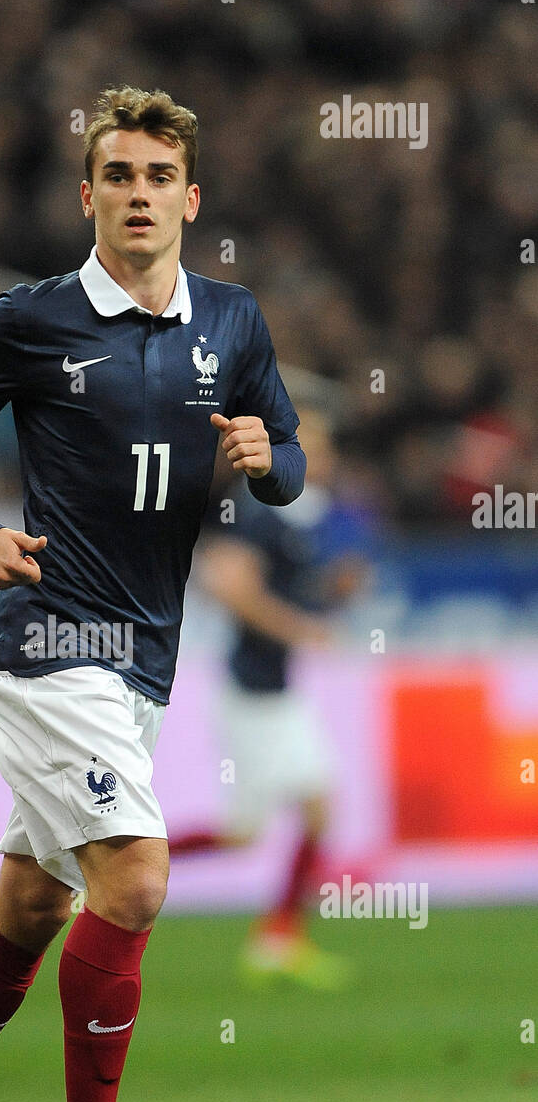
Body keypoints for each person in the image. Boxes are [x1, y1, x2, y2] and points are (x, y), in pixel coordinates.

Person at [0, 85, 305, 1102]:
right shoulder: (34, 318)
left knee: (28, 903)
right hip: (50, 642)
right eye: (120, 176)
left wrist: (271, 457)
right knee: (139, 880)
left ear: (190, 197)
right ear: (89, 193)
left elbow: (288, 460)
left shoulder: (235, 323)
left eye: (160, 178)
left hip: (145, 658)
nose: (140, 195)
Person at [174, 407, 372, 989]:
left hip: (272, 690)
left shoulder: (301, 515)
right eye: (313, 441)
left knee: (287, 818)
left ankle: (278, 937)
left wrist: (330, 594)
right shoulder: (255, 507)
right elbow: (230, 588)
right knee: (274, 823)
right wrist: (302, 629)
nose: (325, 452)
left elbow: (292, 588)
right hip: (253, 692)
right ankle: (112, 869)